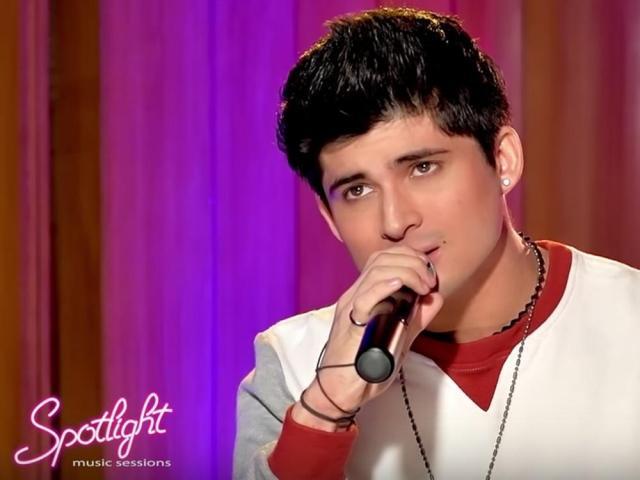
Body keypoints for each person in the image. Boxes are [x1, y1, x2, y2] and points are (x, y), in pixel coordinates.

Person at [233, 7, 640, 479]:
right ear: (330, 218)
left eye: (422, 168)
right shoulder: (292, 364)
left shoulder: (627, 317)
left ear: (503, 160)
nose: (395, 221)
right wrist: (327, 408)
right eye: (358, 190)